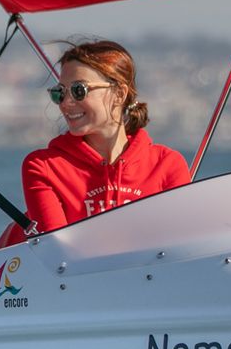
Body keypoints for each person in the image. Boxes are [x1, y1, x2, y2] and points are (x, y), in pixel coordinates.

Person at [19, 39, 190, 233]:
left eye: (78, 90)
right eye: (60, 93)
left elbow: (180, 242)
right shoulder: (43, 167)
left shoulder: (168, 165)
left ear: (119, 94)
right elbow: (55, 249)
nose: (65, 103)